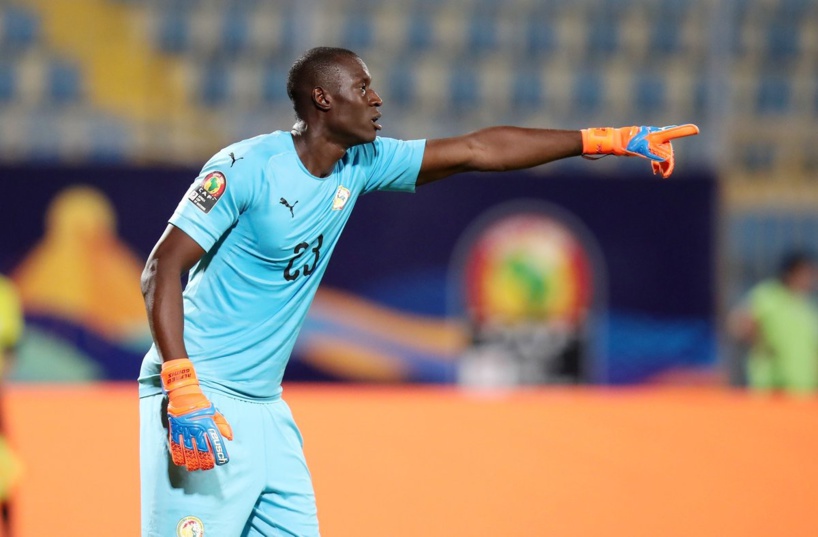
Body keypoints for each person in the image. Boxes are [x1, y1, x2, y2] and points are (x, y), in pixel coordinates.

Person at [139, 46, 698, 536]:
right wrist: (182, 387)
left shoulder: (360, 163)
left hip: (267, 410)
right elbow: (160, 269)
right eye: (362, 87)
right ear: (323, 99)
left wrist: (608, 140)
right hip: (200, 395)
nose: (376, 98)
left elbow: (478, 149)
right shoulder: (245, 167)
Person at [729, 251, 818, 395]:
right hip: (773, 387)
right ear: (791, 273)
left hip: (804, 389)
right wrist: (760, 343)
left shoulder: (807, 306)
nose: (811, 279)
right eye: (806, 273)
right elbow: (740, 323)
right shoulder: (769, 295)